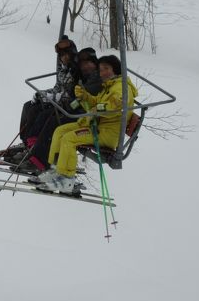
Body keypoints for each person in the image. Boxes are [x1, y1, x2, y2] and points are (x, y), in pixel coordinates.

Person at [38, 55, 138, 193]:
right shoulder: (109, 86)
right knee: (60, 131)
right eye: (101, 70)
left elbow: (115, 106)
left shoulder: (121, 87)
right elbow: (96, 102)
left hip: (106, 133)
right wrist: (84, 96)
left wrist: (98, 108)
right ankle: (56, 169)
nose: (103, 73)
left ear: (115, 69)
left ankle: (66, 178)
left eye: (106, 69)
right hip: (97, 127)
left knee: (69, 138)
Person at [16, 47, 102, 174]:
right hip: (79, 112)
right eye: (83, 64)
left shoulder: (96, 79)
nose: (86, 66)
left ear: (95, 63)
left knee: (54, 121)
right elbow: (74, 95)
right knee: (44, 113)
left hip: (86, 117)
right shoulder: (84, 76)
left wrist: (70, 103)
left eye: (89, 63)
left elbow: (89, 99)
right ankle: (32, 149)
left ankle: (39, 160)